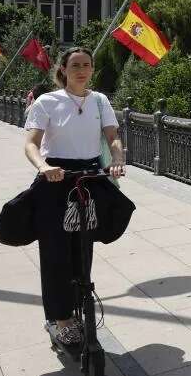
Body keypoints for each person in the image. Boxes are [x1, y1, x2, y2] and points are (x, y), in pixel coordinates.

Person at [23, 47, 127, 346]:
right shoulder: (47, 101)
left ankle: (81, 296)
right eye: (75, 65)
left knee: (84, 245)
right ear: (64, 70)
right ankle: (61, 320)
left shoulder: (99, 100)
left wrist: (117, 159)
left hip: (90, 176)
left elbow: (112, 136)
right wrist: (44, 166)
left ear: (92, 70)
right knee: (55, 250)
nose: (82, 70)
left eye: (87, 65)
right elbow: (31, 143)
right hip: (56, 176)